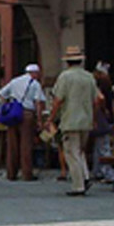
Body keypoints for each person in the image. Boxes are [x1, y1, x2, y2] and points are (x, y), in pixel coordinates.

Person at [47, 46, 96, 196]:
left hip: (70, 119)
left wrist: (51, 118)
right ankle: (85, 176)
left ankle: (78, 185)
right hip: (86, 119)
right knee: (80, 151)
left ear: (67, 62)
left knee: (71, 152)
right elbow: (97, 99)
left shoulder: (65, 77)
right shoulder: (89, 77)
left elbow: (58, 100)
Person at [0, 63, 46, 181]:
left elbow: (2, 94)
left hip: (13, 113)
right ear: (35, 73)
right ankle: (27, 173)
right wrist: (39, 119)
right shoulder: (35, 84)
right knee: (26, 144)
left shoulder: (15, 81)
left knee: (12, 144)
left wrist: (7, 106)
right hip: (27, 113)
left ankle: (11, 173)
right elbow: (38, 103)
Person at [91, 62, 114, 183]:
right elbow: (102, 100)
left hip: (99, 118)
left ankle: (99, 171)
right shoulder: (105, 87)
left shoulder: (97, 86)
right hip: (103, 119)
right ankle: (105, 172)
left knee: (99, 146)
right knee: (103, 146)